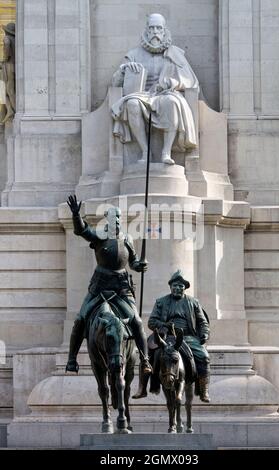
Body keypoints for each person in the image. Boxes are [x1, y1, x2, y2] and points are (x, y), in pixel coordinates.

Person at [65, 195, 152, 386]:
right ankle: (72, 359)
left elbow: (133, 262)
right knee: (80, 319)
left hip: (121, 288)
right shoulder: (99, 236)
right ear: (107, 220)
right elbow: (81, 230)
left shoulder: (127, 239)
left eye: (119, 218)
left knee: (136, 320)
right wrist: (76, 215)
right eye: (114, 219)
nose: (117, 222)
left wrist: (140, 266)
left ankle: (145, 360)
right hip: (100, 287)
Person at [111, 13, 200, 165]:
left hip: (164, 94)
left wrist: (173, 83)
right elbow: (115, 83)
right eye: (151, 28)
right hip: (142, 95)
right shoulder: (134, 54)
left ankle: (166, 152)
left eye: (158, 28)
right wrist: (124, 70)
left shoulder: (175, 54)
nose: (155, 32)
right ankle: (145, 151)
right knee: (132, 104)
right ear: (146, 30)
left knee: (172, 102)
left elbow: (191, 81)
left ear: (164, 31)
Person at [133, 270, 210, 402]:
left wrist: (205, 333)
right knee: (146, 355)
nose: (177, 288)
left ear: (185, 288)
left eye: (181, 285)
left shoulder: (194, 302)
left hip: (188, 338)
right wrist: (164, 325)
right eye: (175, 285)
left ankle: (204, 390)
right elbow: (151, 322)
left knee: (204, 357)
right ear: (170, 286)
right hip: (165, 336)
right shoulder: (161, 302)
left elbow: (203, 322)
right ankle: (142, 388)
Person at [0, 23, 15, 124]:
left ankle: (15, 110)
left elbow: (7, 45)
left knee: (8, 91)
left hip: (8, 66)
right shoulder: (15, 40)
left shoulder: (7, 38)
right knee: (5, 91)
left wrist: (4, 59)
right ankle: (9, 111)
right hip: (11, 66)